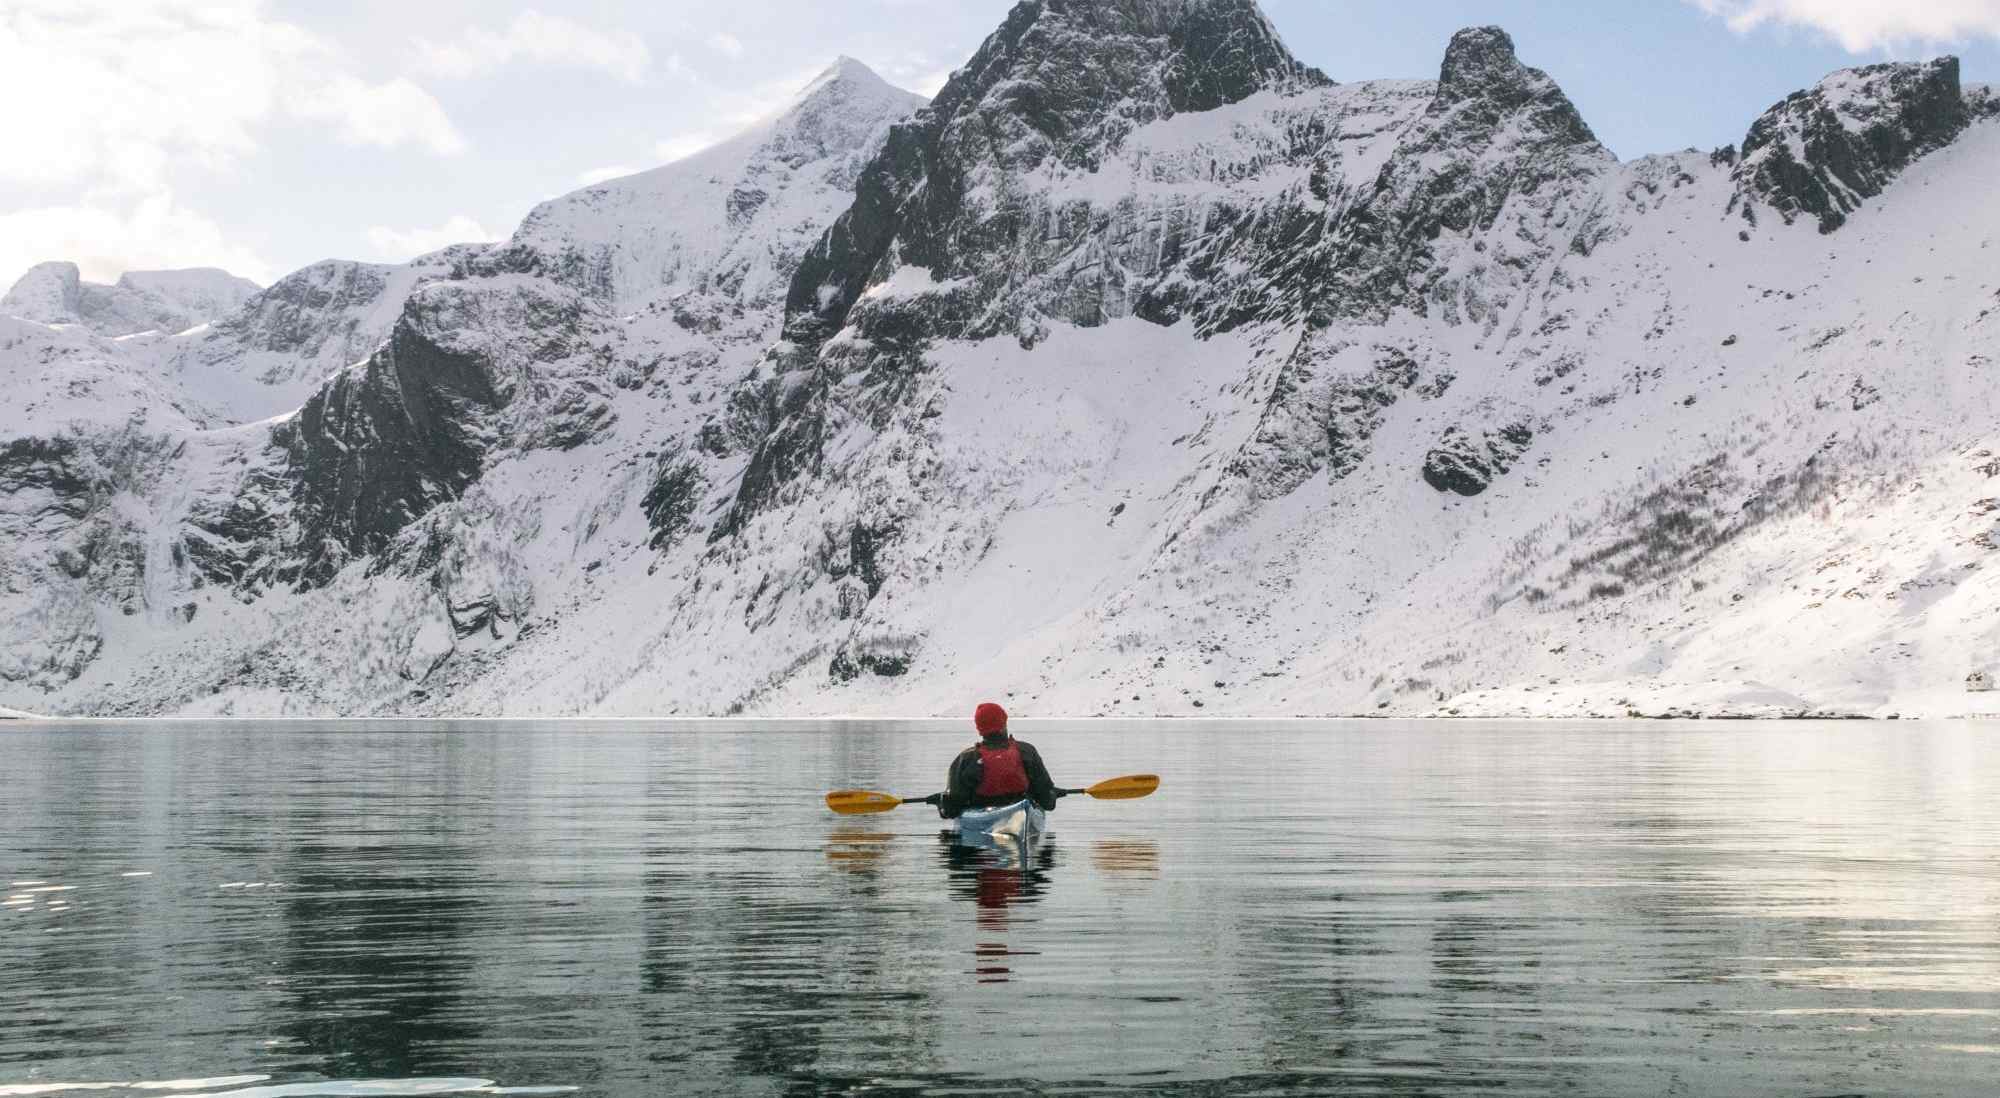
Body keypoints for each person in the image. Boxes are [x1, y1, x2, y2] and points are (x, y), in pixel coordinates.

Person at [937, 702, 1059, 819]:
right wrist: (1052, 795)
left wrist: (942, 804)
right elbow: (1047, 803)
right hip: (1021, 812)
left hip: (983, 815)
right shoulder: (1027, 751)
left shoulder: (966, 759)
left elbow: (951, 810)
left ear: (980, 729)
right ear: (1003, 725)